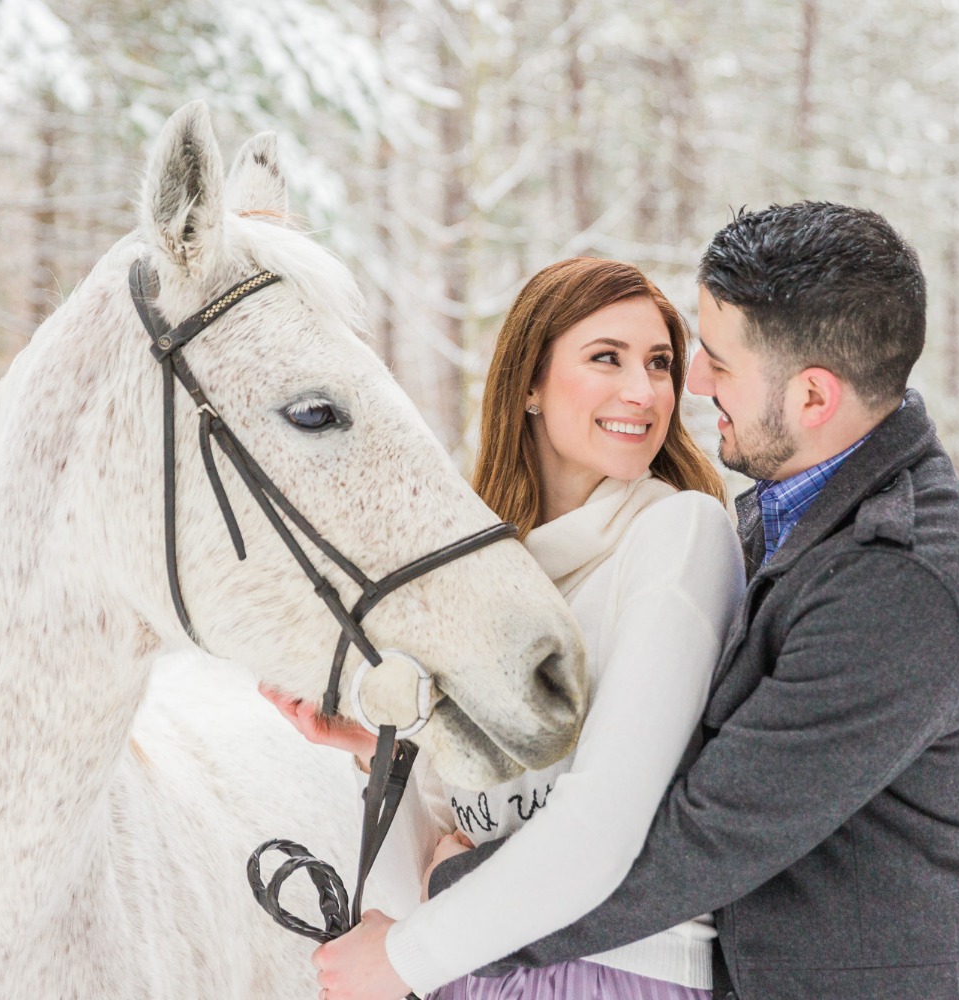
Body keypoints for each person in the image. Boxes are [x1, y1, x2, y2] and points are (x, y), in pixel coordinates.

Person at [311, 202, 959, 1000]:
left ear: (814, 398)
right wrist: (400, 748)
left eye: (713, 361)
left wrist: (446, 906)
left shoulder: (899, 580)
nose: (690, 384)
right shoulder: (777, 519)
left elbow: (701, 838)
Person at [263, 257, 746, 999]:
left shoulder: (678, 534)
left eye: (659, 363)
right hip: (471, 972)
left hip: (615, 974)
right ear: (529, 383)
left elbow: (600, 828)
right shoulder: (484, 579)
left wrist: (403, 957)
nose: (644, 391)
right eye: (606, 359)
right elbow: (421, 872)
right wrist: (383, 759)